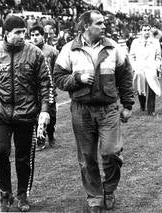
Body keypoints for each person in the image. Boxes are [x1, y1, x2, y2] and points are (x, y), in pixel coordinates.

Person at [54, 10, 134, 213]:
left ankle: (109, 189)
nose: (104, 26)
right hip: (81, 111)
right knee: (87, 157)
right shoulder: (69, 49)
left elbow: (125, 76)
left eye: (104, 23)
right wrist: (76, 80)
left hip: (108, 109)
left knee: (111, 152)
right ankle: (95, 196)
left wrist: (128, 105)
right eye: (99, 23)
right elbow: (58, 77)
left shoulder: (114, 47)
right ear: (85, 27)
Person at [0, 15, 52, 212]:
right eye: (17, 32)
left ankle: (21, 194)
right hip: (0, 114)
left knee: (23, 158)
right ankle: (5, 193)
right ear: (6, 34)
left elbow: (46, 83)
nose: (22, 35)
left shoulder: (35, 53)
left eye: (23, 31)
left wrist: (44, 109)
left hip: (26, 113)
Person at [30, 25, 59, 151]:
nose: (35, 38)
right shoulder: (28, 51)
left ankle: (51, 134)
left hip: (49, 88)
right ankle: (40, 140)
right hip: (33, 89)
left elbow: (57, 71)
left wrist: (53, 86)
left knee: (51, 115)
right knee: (36, 114)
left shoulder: (52, 51)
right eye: (32, 35)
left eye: (37, 35)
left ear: (43, 35)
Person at [129, 24, 161, 116]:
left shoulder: (155, 42)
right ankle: (142, 106)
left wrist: (156, 66)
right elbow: (131, 56)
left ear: (150, 31)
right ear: (141, 31)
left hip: (151, 67)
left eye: (148, 30)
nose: (146, 32)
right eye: (144, 30)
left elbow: (158, 56)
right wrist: (135, 67)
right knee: (141, 88)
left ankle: (151, 110)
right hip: (139, 68)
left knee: (152, 87)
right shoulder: (135, 42)